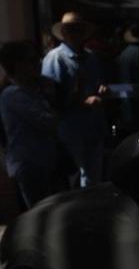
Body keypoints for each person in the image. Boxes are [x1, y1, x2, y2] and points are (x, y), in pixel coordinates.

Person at [0, 40, 71, 208]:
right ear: (17, 65)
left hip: (45, 160)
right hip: (30, 164)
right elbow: (48, 122)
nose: (38, 63)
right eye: (32, 60)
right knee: (41, 213)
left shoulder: (34, 90)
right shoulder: (12, 94)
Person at [40, 11, 111, 186]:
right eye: (72, 29)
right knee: (74, 177)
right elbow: (51, 98)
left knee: (93, 177)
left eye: (79, 29)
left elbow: (97, 85)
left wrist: (102, 91)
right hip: (70, 129)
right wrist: (82, 102)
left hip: (94, 126)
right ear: (64, 33)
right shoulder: (55, 59)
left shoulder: (91, 58)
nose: (76, 33)